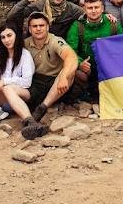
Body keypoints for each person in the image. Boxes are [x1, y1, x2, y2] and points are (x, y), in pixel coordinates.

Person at [20, 11, 79, 139]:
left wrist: (63, 76)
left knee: (70, 72)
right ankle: (30, 120)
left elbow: (71, 57)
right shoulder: (24, 44)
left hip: (55, 83)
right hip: (35, 83)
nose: (38, 29)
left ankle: (42, 108)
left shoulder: (55, 41)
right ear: (29, 29)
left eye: (41, 25)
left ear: (47, 27)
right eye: (34, 26)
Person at [67, 0, 121, 100]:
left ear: (102, 9)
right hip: (88, 69)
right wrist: (79, 63)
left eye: (96, 7)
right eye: (90, 8)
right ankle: (86, 93)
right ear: (84, 9)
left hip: (109, 68)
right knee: (75, 71)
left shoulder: (113, 24)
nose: (93, 10)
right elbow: (69, 50)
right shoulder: (77, 26)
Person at [8, 0, 87, 39]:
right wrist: (27, 0)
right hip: (35, 43)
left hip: (58, 46)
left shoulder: (72, 9)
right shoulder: (39, 5)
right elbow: (12, 15)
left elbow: (88, 17)